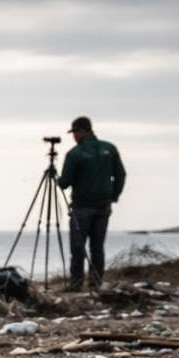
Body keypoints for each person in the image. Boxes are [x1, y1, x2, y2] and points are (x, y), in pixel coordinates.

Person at [57, 115, 126, 290]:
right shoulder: (109, 149)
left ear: (81, 131)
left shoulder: (75, 154)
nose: (74, 136)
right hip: (104, 206)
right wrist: (113, 196)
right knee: (97, 247)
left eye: (74, 133)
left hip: (82, 207)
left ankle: (76, 284)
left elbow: (65, 182)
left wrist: (56, 178)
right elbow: (121, 174)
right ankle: (95, 283)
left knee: (78, 248)